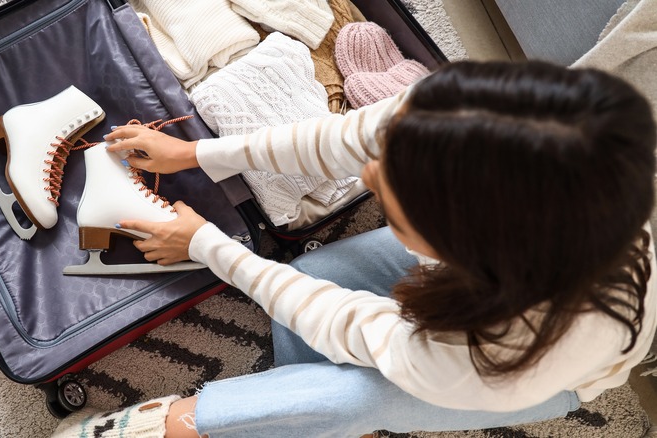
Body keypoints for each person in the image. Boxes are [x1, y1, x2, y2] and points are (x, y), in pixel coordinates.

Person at [52, 60, 657, 438]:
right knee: (313, 276)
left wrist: (208, 244)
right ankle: (302, 420)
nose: (365, 181)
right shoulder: (467, 119)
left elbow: (347, 324)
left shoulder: (507, 359)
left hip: (535, 368)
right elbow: (345, 136)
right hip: (507, 282)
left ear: (462, 247)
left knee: (349, 396)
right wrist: (196, 156)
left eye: (389, 203)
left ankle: (180, 426)